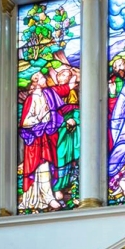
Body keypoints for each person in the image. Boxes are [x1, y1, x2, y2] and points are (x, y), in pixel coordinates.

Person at [18, 71, 64, 211]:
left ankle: (49, 195)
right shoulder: (31, 98)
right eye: (43, 78)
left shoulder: (47, 94)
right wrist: (41, 117)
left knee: (48, 165)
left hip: (47, 135)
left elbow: (56, 110)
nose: (46, 79)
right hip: (35, 138)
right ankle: (45, 197)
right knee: (41, 166)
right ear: (37, 81)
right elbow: (25, 122)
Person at [50, 65, 80, 199]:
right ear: (57, 77)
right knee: (59, 156)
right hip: (57, 129)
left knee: (71, 156)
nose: (66, 77)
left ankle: (68, 186)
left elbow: (76, 109)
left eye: (68, 75)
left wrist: (75, 119)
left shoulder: (73, 92)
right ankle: (57, 187)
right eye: (63, 75)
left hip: (71, 129)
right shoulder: (51, 93)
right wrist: (63, 121)